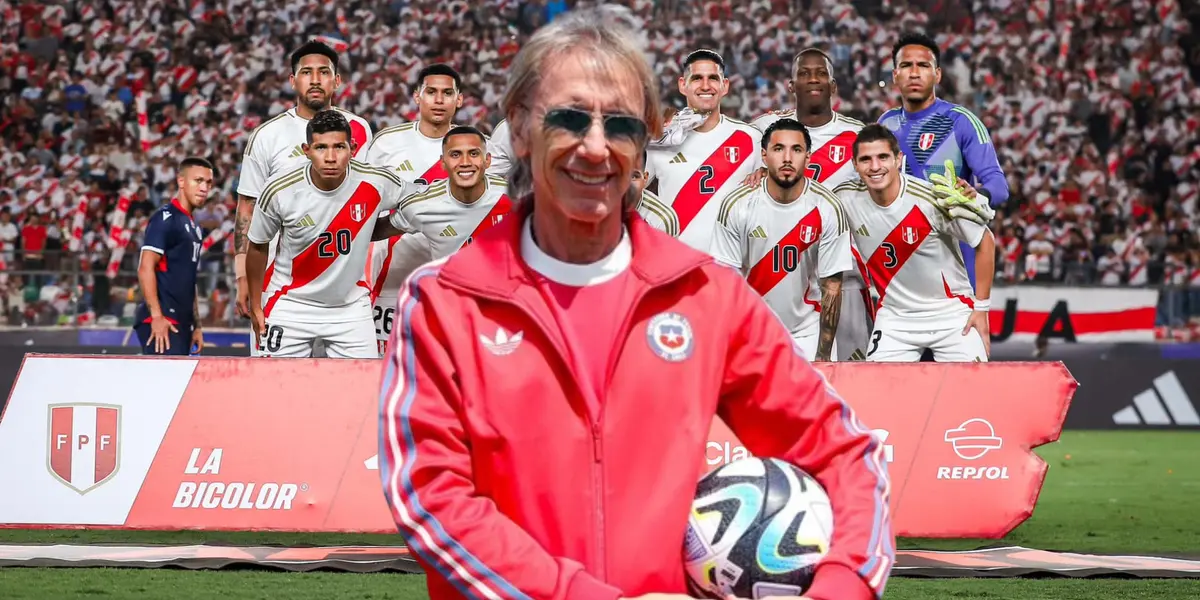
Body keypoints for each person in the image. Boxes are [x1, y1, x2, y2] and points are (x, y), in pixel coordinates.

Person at [378, 7, 893, 600]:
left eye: (620, 124)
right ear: (518, 130)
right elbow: (430, 497)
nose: (596, 148)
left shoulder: (706, 294)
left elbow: (847, 455)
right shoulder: (446, 300)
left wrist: (843, 585)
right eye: (569, 119)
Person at [246, 110, 421, 359]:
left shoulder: (376, 181)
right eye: (321, 148)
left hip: (350, 309)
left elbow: (419, 200)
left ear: (352, 148)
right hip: (291, 304)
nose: (330, 157)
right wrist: (255, 304)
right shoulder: (279, 190)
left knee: (362, 392)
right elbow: (257, 246)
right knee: (274, 389)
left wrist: (394, 223)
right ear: (306, 150)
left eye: (339, 147)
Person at [233, 40, 374, 340]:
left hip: (344, 292)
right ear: (292, 80)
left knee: (345, 384)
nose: (315, 79)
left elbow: (368, 203)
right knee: (275, 382)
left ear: (336, 80)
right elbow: (247, 207)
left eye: (324, 72)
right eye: (306, 72)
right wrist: (242, 275)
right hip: (278, 287)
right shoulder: (267, 136)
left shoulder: (359, 129)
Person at [834, 125, 995, 362]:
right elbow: (808, 201)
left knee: (972, 392)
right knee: (876, 394)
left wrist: (982, 309)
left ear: (898, 160)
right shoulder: (845, 197)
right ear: (855, 165)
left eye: (883, 157)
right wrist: (762, 175)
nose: (875, 166)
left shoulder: (932, 198)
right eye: (866, 159)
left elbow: (985, 241)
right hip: (894, 318)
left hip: (951, 315)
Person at [752, 48, 873, 361]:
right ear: (791, 86)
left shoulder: (856, 135)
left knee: (852, 372)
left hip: (844, 277)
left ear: (833, 86)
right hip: (785, 276)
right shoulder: (763, 132)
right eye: (804, 73)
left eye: (821, 73)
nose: (813, 79)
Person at [711, 119, 853, 362]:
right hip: (751, 331)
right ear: (764, 156)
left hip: (806, 332)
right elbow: (726, 284)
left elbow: (832, 288)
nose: (787, 158)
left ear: (808, 157)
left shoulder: (828, 207)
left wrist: (822, 356)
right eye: (779, 149)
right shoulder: (737, 205)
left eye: (796, 150)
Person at [878, 32, 1008, 288]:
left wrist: (976, 196)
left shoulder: (962, 122)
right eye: (906, 65)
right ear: (895, 75)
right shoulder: (885, 123)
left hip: (955, 268)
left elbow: (999, 186)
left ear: (937, 74)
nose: (914, 73)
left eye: (923, 65)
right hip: (900, 268)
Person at [362, 64, 466, 354]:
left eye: (447, 93)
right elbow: (365, 205)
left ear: (459, 100)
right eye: (431, 92)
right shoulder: (387, 143)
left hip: (448, 281)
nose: (439, 99)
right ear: (417, 97)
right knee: (382, 367)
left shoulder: (473, 148)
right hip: (388, 278)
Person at [645, 49, 763, 252]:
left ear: (725, 86)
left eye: (713, 78)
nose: (706, 86)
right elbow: (632, 193)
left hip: (731, 269)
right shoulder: (659, 141)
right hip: (676, 266)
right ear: (683, 85)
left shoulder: (751, 138)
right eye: (697, 78)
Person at [371, 125, 513, 260]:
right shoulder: (421, 205)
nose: (465, 162)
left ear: (487, 160)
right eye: (455, 154)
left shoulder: (515, 199)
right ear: (443, 162)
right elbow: (372, 232)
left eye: (473, 153)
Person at [133, 157, 212, 355]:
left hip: (183, 325)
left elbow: (189, 279)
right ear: (181, 181)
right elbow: (145, 268)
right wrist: (157, 317)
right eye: (198, 181)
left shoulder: (195, 227)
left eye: (208, 183)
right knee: (160, 385)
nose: (204, 188)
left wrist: (197, 325)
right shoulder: (165, 218)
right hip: (164, 322)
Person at [632, 149, 680, 237]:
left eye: (633, 176)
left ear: (645, 179)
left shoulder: (662, 219)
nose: (626, 185)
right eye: (620, 175)